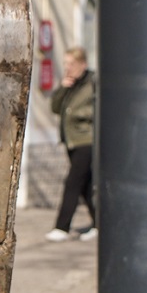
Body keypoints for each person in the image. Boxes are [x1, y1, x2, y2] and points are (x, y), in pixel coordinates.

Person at [47, 47, 97, 241]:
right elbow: (55, 108)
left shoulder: (92, 83)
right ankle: (100, 223)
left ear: (82, 64)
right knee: (85, 185)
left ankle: (62, 227)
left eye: (71, 64)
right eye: (65, 63)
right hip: (71, 141)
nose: (68, 67)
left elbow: (97, 108)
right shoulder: (71, 85)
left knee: (73, 182)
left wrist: (78, 114)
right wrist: (62, 89)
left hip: (86, 140)